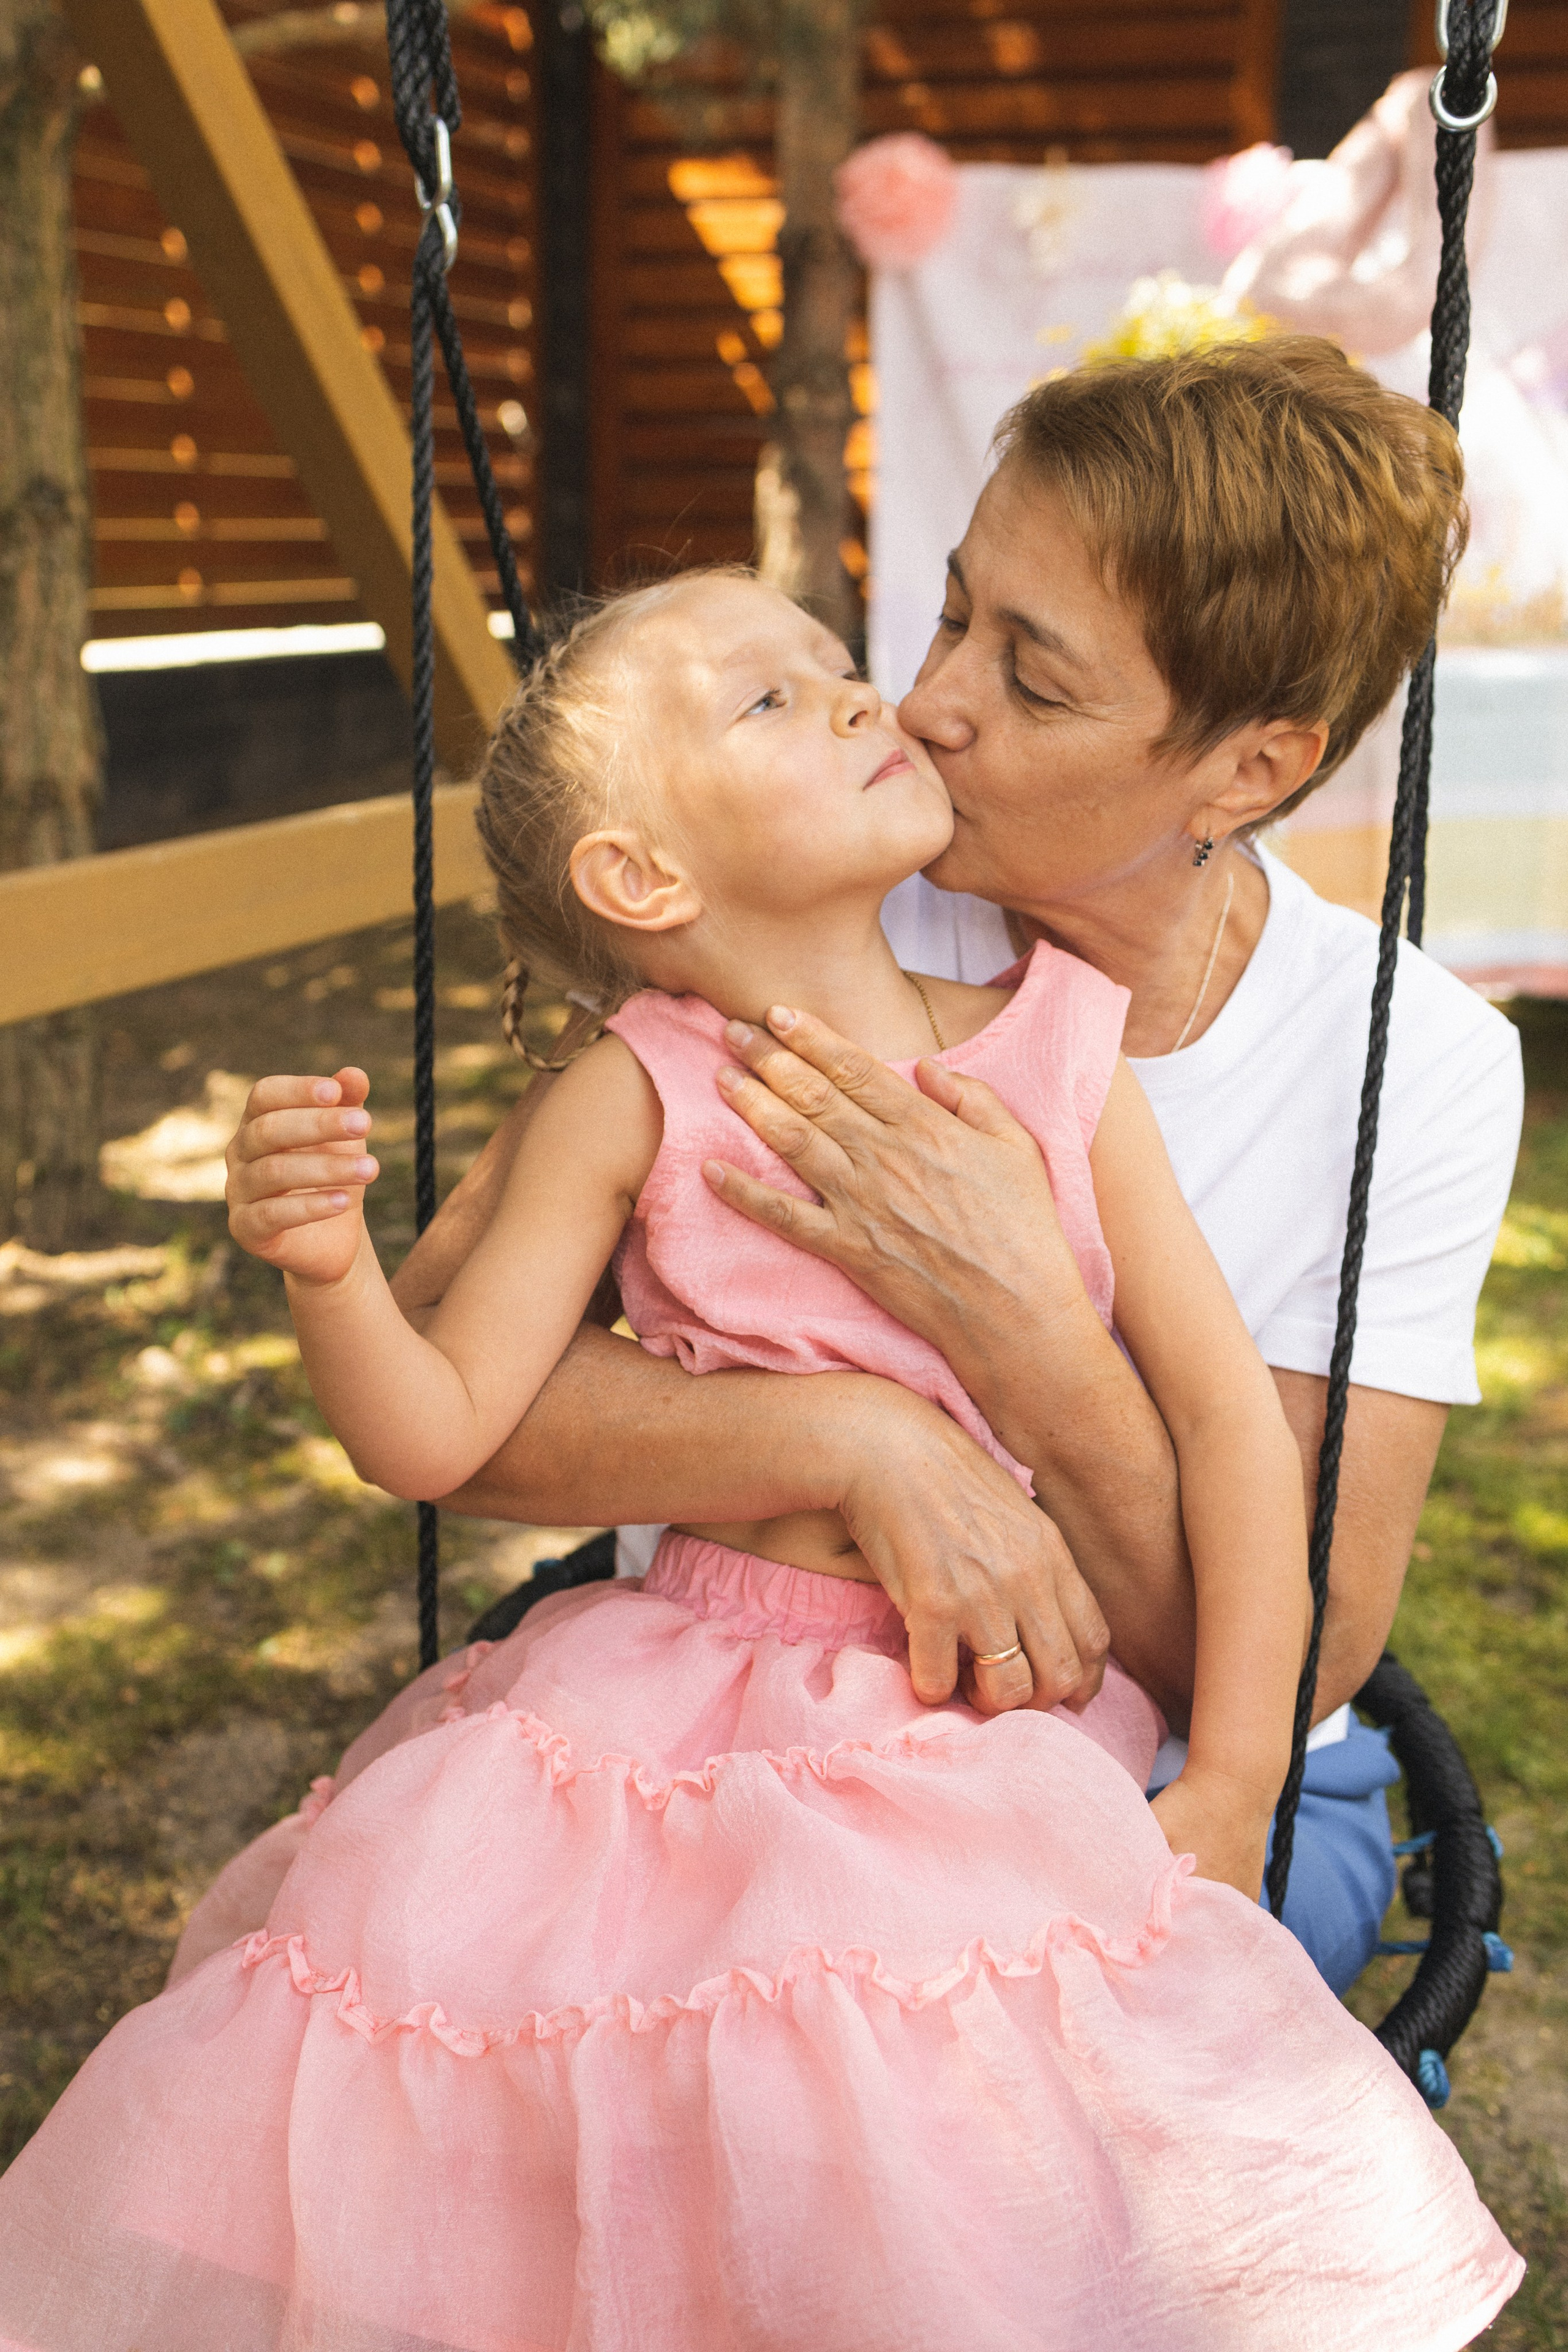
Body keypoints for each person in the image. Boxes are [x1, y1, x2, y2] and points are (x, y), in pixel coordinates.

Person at [0, 562, 1520, 2348]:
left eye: (832, 668)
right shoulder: (628, 1093)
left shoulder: (1056, 1058)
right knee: (543, 2072)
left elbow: (1226, 1436)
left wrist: (1240, 1774)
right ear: (642, 877)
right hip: (651, 1721)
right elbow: (436, 1428)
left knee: (907, 2132)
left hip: (957, 1729)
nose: (873, 698)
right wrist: (329, 1271)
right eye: (775, 703)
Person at [386, 334, 1525, 1998]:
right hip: (729, 1725)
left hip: (1149, 1767)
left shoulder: (1410, 1067)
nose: (927, 704)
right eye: (950, 610)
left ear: (1252, 766)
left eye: (1036, 681)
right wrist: (855, 1442)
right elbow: (442, 1388)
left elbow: (1284, 1664)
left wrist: (1033, 1345)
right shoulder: (817, 881)